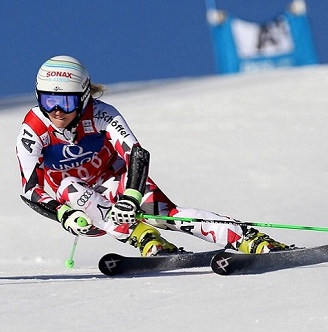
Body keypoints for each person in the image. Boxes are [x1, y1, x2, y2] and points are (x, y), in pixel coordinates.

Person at [16, 55, 289, 257]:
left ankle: (246, 237)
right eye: (48, 101)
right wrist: (62, 214)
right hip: (78, 206)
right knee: (70, 187)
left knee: (166, 215)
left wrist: (131, 196)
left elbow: (136, 153)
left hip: (116, 180)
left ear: (84, 97)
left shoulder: (101, 114)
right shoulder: (34, 129)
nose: (57, 112)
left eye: (66, 102)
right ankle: (142, 236)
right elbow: (30, 190)